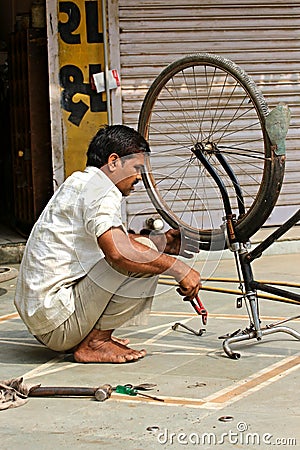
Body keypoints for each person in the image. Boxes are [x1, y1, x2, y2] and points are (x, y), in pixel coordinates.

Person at [14, 125, 201, 364]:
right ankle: (96, 342)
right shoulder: (100, 191)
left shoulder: (82, 182)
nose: (139, 179)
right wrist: (178, 268)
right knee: (141, 258)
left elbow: (116, 240)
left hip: (45, 318)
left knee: (147, 247)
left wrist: (162, 242)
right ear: (114, 161)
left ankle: (94, 336)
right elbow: (119, 254)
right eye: (137, 168)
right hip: (57, 324)